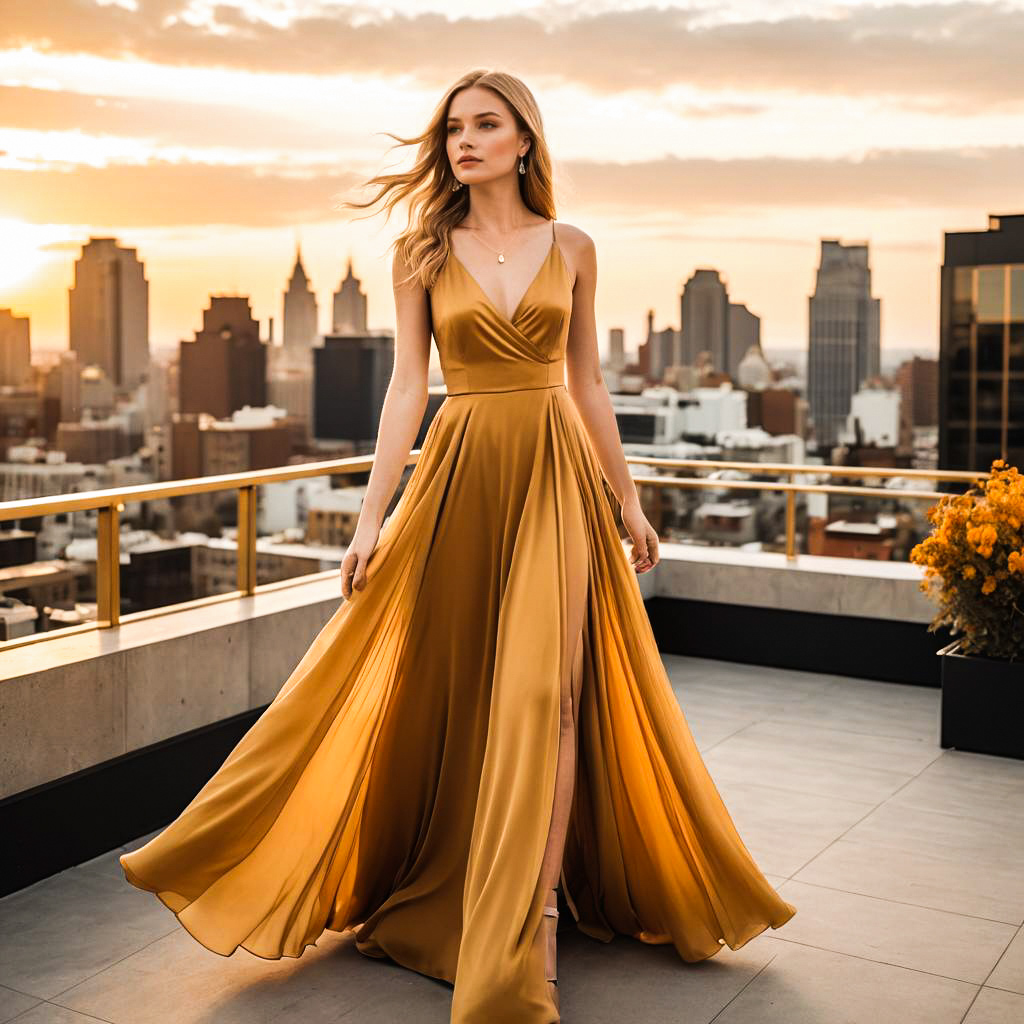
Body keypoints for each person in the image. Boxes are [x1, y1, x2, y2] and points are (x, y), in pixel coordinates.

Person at [120, 67, 796, 1024]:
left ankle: (536, 920)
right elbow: (406, 391)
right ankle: (444, 879)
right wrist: (369, 517)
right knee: (458, 689)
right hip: (461, 476)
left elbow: (588, 386)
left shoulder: (575, 246)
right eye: (452, 131)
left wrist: (629, 504)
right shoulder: (422, 251)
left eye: (486, 125)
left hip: (555, 479)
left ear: (525, 140)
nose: (464, 142)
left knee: (546, 699)